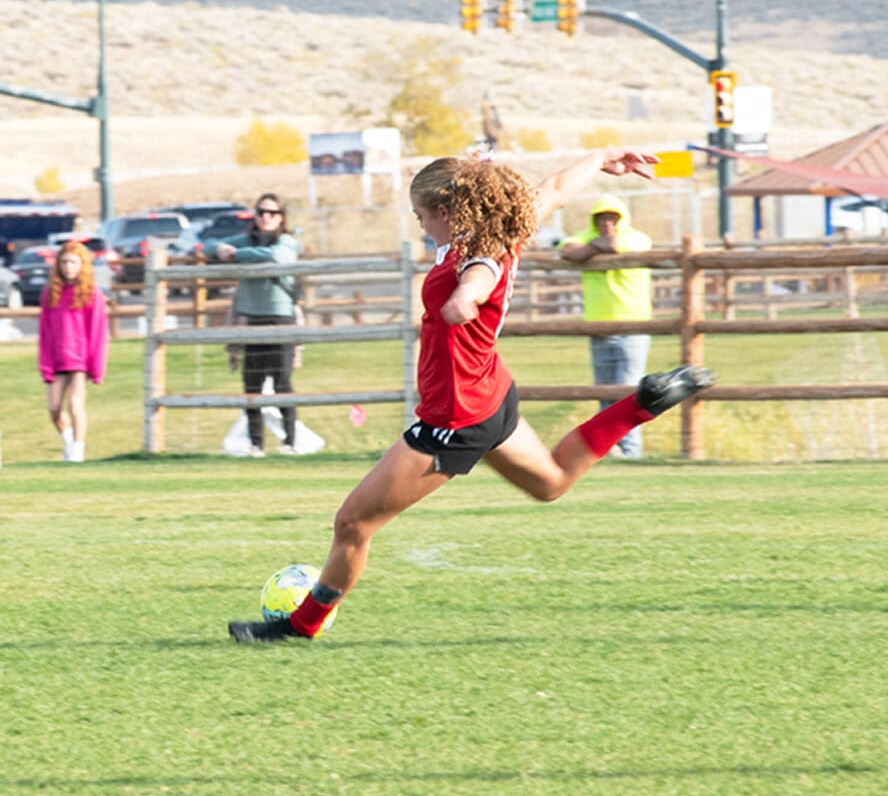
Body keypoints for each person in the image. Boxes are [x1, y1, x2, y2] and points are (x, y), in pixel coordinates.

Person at [228, 149, 715, 643]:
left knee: (353, 522)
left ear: (446, 212)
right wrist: (602, 157)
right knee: (551, 484)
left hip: (454, 417)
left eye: (421, 217)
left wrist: (465, 300)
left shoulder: (476, 254)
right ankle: (642, 405)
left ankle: (300, 626)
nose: (421, 227)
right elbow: (555, 190)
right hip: (489, 393)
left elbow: (478, 280)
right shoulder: (505, 228)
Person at [205, 193, 303, 457]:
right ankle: (255, 443)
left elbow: (276, 257)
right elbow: (208, 246)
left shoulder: (287, 241)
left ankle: (290, 441)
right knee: (252, 384)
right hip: (251, 316)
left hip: (280, 316)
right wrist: (220, 250)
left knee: (283, 381)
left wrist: (237, 254)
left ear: (281, 217)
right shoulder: (245, 239)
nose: (266, 218)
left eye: (272, 213)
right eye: (261, 212)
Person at [558, 195, 654, 458]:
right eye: (602, 218)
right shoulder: (586, 235)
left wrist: (589, 250)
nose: (607, 224)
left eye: (612, 218)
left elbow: (614, 245)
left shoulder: (637, 238)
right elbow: (567, 250)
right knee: (603, 389)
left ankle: (631, 450)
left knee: (628, 390)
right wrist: (592, 247)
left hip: (632, 324)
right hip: (599, 325)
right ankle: (605, 448)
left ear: (622, 220)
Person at [37, 241, 108, 463]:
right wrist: (45, 363)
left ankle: (78, 449)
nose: (68, 267)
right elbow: (45, 331)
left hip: (80, 359)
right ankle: (68, 441)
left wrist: (96, 368)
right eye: (65, 262)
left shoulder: (91, 294)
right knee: (54, 407)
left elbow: (97, 332)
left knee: (75, 405)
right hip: (57, 358)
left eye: (73, 262)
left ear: (82, 265)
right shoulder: (50, 295)